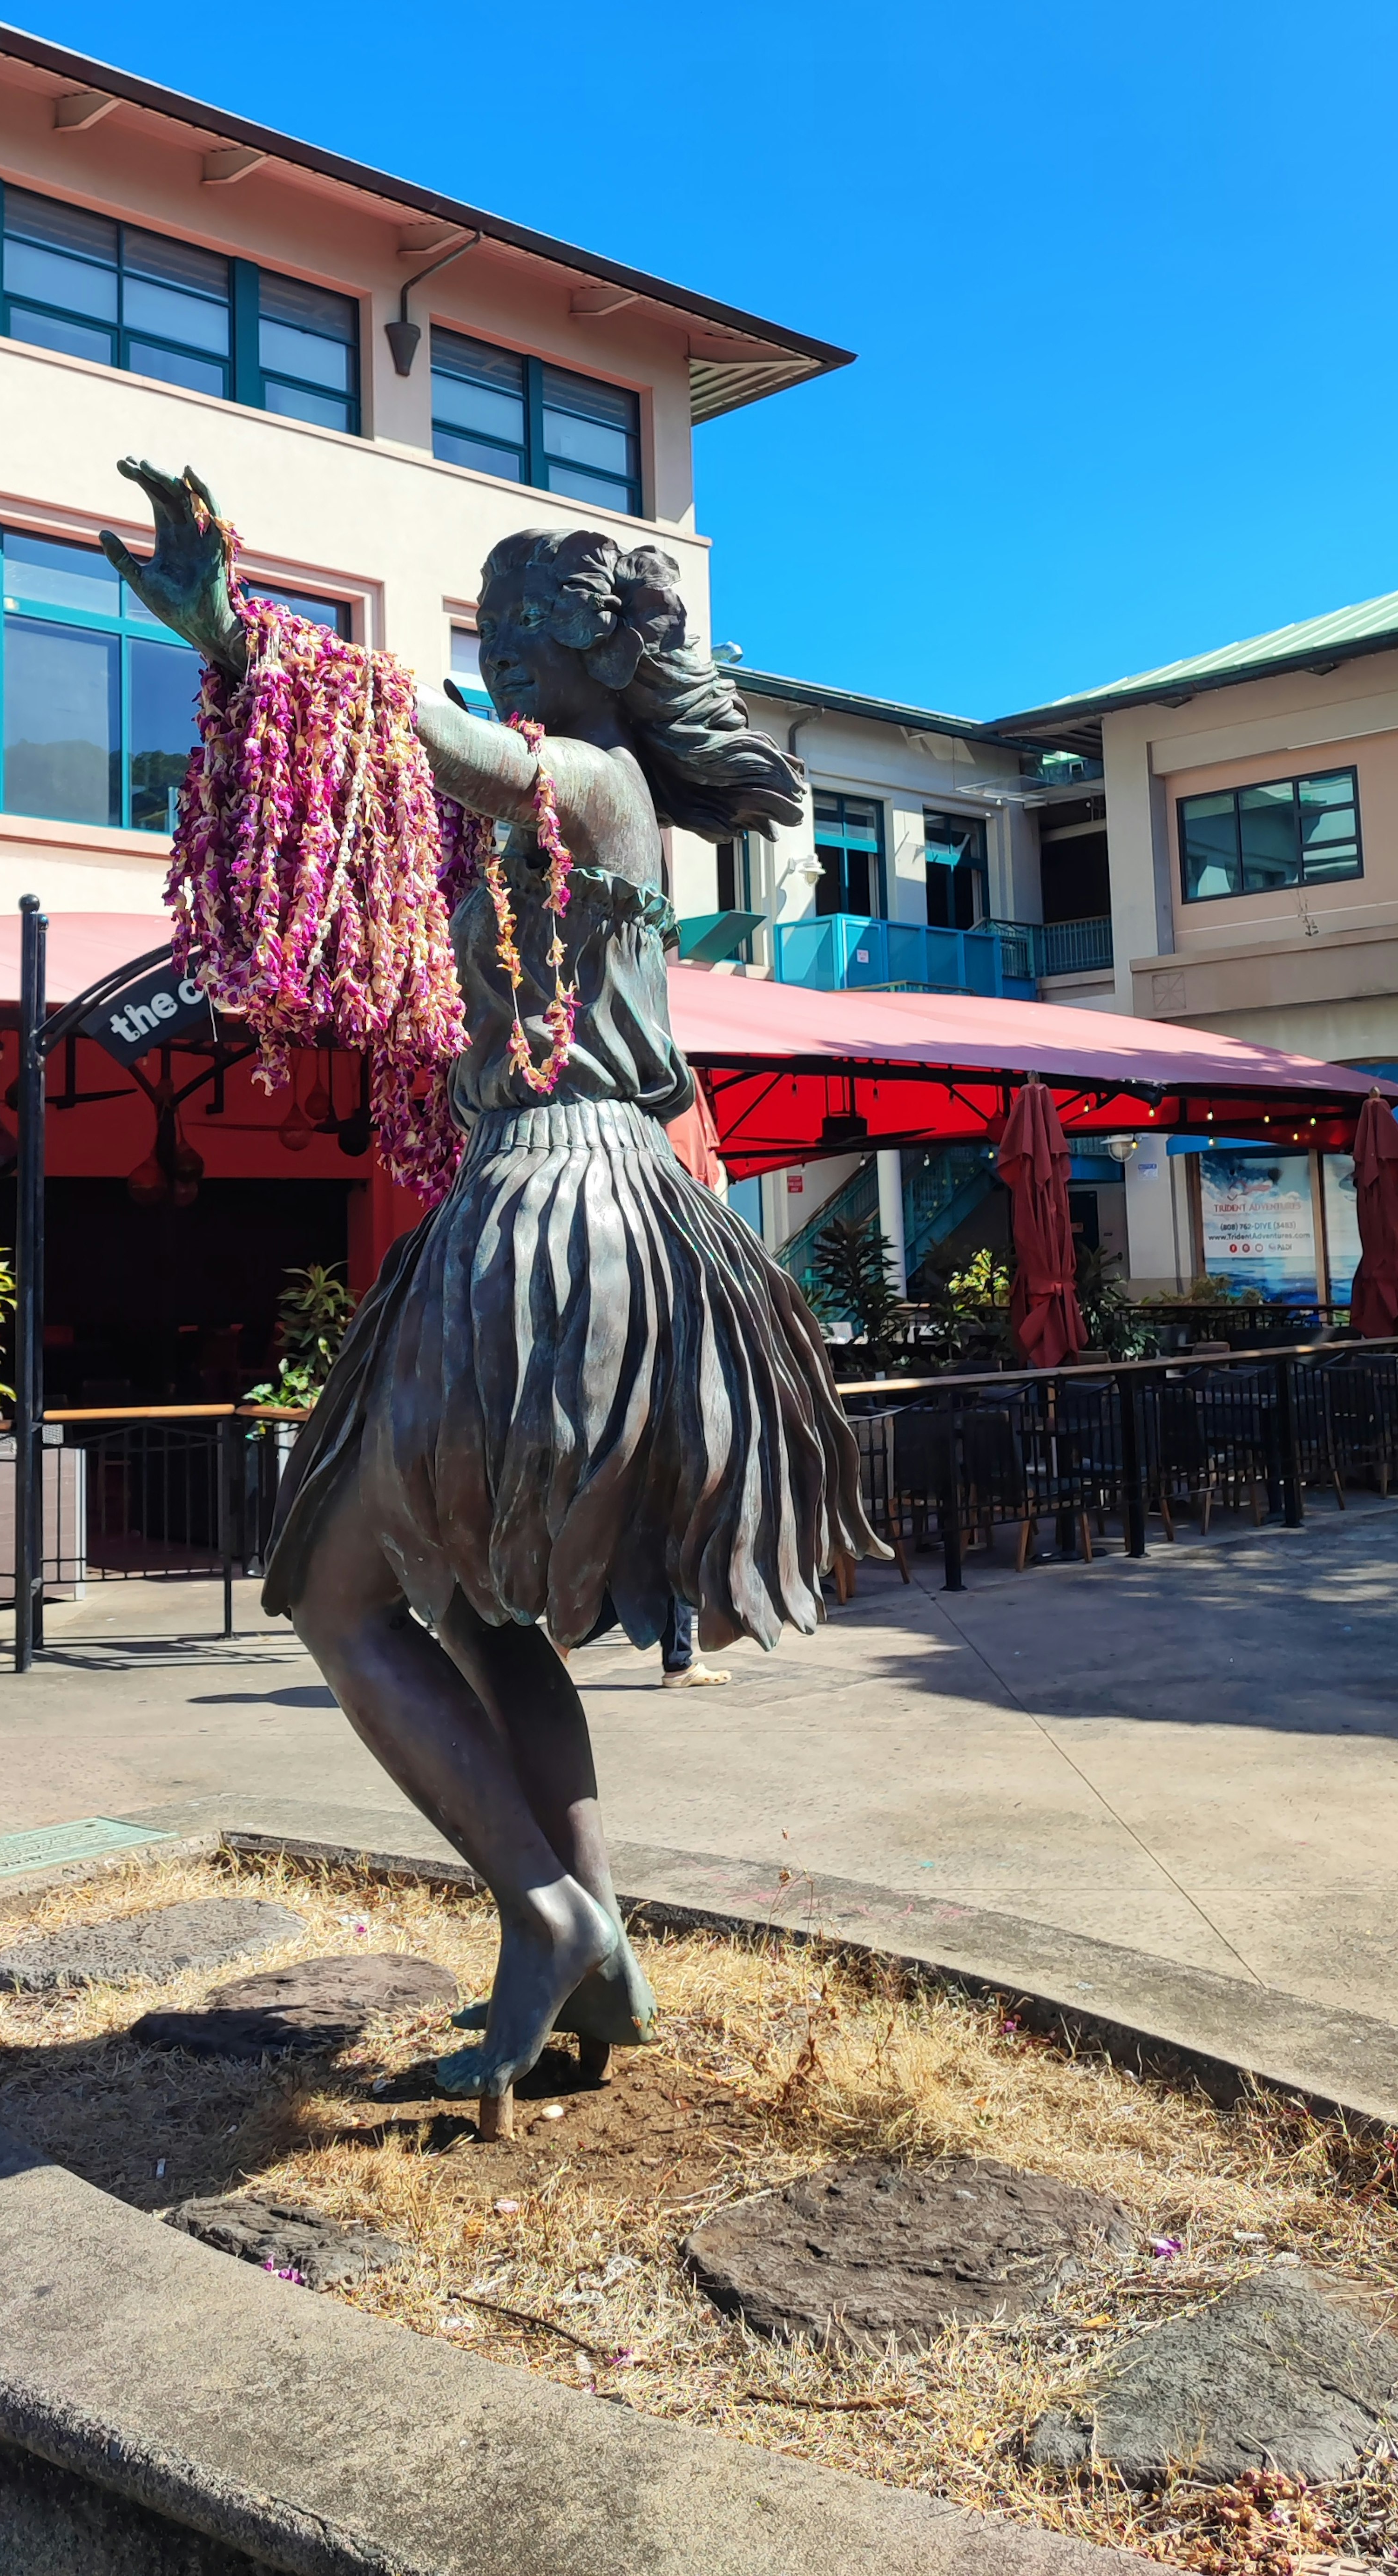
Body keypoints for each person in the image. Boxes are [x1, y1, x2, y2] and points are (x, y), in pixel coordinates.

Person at [102, 464, 883, 2103]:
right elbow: (416, 803)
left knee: (331, 1593)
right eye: (492, 624)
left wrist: (245, 628)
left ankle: (539, 1907)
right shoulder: (545, 804)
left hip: (558, 1197)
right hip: (548, 1191)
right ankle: (595, 1948)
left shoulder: (592, 784)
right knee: (474, 1603)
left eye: (534, 625)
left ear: (608, 666)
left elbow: (437, 748)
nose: (505, 647)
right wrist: (245, 665)